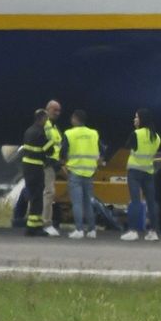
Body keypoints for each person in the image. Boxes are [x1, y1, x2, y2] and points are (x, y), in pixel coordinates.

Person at [120, 108, 161, 242]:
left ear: (142, 119)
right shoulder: (157, 137)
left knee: (136, 201)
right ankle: (153, 232)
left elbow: (127, 146)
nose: (135, 119)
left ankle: (133, 231)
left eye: (136, 117)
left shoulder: (136, 134)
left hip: (135, 171)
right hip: (148, 171)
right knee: (151, 202)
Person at [61, 109, 102, 239]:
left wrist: (63, 164)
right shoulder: (93, 133)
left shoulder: (69, 133)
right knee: (88, 202)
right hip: (89, 172)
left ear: (75, 119)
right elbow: (102, 149)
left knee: (77, 202)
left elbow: (63, 152)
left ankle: (79, 229)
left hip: (75, 171)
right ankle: (92, 230)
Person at [19, 109, 53, 236]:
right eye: (46, 119)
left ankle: (36, 224)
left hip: (28, 168)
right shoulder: (40, 132)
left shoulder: (28, 131)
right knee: (37, 197)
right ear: (42, 119)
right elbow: (48, 150)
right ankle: (32, 228)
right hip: (36, 168)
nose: (47, 121)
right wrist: (52, 140)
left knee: (34, 196)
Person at [41, 100, 64, 236]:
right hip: (46, 164)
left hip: (52, 164)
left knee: (45, 193)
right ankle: (46, 223)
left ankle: (39, 221)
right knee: (48, 193)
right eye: (54, 110)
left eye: (59, 110)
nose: (57, 113)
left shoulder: (54, 127)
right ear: (47, 109)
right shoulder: (45, 125)